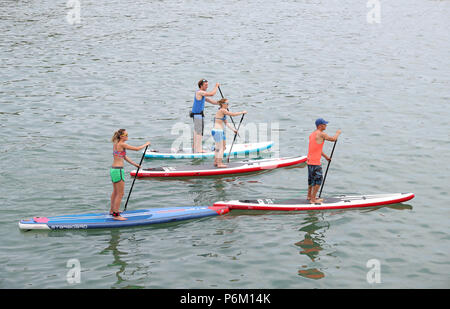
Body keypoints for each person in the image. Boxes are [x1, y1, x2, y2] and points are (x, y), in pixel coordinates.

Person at [110, 129, 150, 220]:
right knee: (120, 193)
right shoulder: (122, 144)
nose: (127, 136)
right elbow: (137, 149)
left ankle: (112, 210)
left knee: (115, 192)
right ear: (121, 136)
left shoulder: (116, 144)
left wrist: (134, 164)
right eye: (126, 135)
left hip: (113, 170)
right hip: (118, 170)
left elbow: (123, 156)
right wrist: (146, 144)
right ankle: (116, 215)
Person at [307, 118, 341, 204]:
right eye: (324, 124)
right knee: (318, 181)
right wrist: (337, 134)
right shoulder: (321, 134)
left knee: (311, 180)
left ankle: (309, 196)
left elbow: (316, 149)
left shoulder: (312, 134)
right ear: (320, 126)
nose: (326, 125)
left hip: (309, 161)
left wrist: (326, 157)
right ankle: (313, 199)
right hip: (315, 163)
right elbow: (333, 139)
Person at [212, 98, 247, 167]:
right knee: (220, 148)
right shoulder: (222, 110)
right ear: (222, 104)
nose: (228, 105)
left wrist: (233, 130)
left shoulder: (223, 112)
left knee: (223, 147)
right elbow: (232, 114)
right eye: (226, 104)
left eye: (228, 104)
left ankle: (216, 162)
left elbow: (226, 123)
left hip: (220, 131)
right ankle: (219, 163)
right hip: (217, 131)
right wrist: (242, 112)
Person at [191, 79, 220, 153]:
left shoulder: (202, 95)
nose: (207, 86)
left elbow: (212, 101)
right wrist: (216, 86)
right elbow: (212, 94)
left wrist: (220, 103)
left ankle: (194, 147)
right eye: (205, 85)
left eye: (207, 85)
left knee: (196, 132)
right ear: (201, 86)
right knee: (199, 133)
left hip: (197, 115)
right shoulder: (199, 92)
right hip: (198, 115)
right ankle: (199, 150)